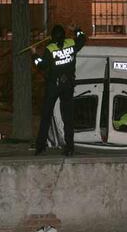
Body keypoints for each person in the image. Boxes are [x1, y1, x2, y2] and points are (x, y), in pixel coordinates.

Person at [31, 24, 86, 156]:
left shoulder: (50, 48)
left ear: (52, 37)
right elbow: (82, 38)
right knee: (68, 117)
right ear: (64, 35)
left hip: (53, 86)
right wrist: (77, 30)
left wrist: (33, 55)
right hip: (68, 85)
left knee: (46, 115)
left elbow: (41, 65)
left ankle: (40, 146)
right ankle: (70, 147)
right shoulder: (71, 43)